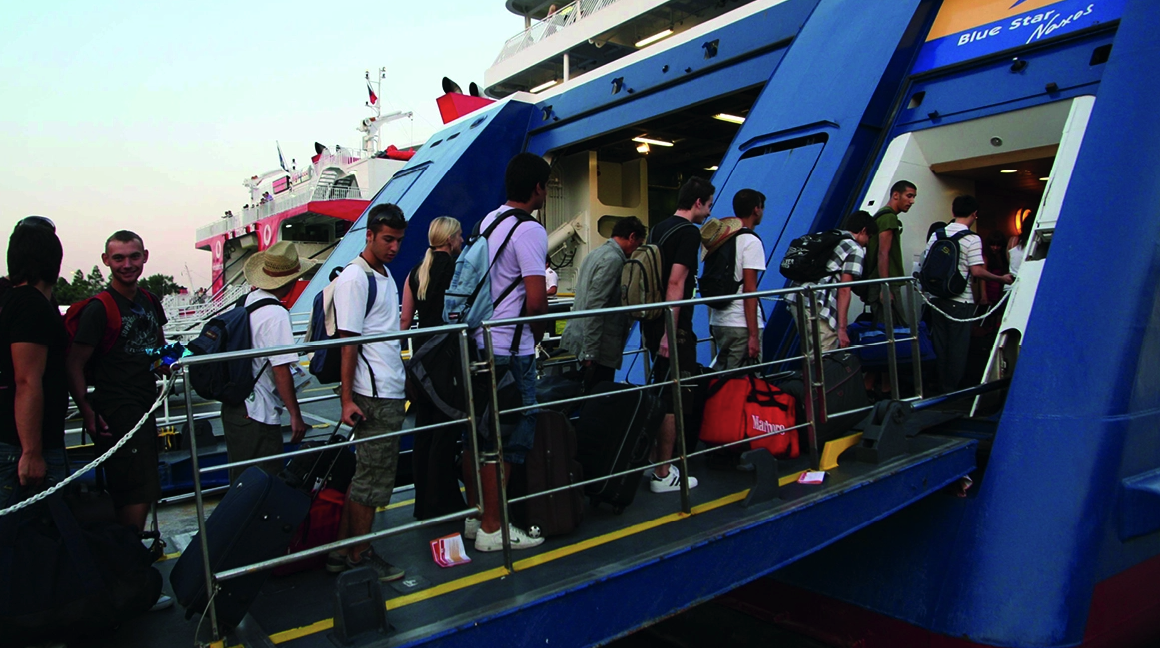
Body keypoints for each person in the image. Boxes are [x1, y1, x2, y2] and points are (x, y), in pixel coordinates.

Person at [465, 153, 550, 552]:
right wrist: (539, 335)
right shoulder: (530, 230)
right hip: (512, 350)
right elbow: (536, 301)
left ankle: (477, 517)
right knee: (510, 438)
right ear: (538, 188)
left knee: (480, 434)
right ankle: (494, 527)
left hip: (480, 341)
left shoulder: (489, 221)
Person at [325, 203, 410, 582]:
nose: (394, 247)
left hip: (387, 388)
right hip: (374, 394)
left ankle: (341, 551)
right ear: (370, 235)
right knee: (373, 479)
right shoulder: (356, 279)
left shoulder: (383, 274)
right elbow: (348, 343)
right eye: (388, 239)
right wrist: (346, 400)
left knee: (368, 475)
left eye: (399, 241)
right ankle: (360, 554)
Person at [66, 231, 167, 534]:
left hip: (144, 406)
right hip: (117, 410)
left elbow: (159, 349)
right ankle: (129, 552)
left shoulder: (150, 301)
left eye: (134, 257)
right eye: (119, 258)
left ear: (145, 257)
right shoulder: (100, 309)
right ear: (106, 260)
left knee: (142, 484)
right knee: (136, 488)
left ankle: (129, 549)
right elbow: (74, 364)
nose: (127, 265)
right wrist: (87, 412)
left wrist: (190, 357)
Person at [642, 176, 714, 494]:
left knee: (660, 390)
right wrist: (670, 333)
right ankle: (663, 472)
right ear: (697, 202)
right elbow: (676, 282)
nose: (709, 212)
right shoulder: (688, 233)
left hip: (651, 320)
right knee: (674, 396)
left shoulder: (658, 228)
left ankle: (653, 460)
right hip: (672, 326)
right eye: (708, 205)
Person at [220, 242, 315, 483]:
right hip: (258, 413)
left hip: (236, 407)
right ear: (292, 280)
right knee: (263, 484)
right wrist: (295, 415)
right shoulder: (276, 314)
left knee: (241, 484)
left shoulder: (246, 301)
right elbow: (280, 369)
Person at [399, 216, 467, 521]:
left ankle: (423, 504)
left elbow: (405, 320)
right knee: (446, 430)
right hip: (447, 357)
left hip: (421, 358)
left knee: (424, 431)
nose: (462, 240)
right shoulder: (455, 269)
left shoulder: (416, 271)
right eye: (459, 236)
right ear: (450, 239)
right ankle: (445, 502)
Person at [0, 223, 68, 509]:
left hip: (14, 441)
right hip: (22, 447)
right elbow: (26, 379)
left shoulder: (11, 300)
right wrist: (31, 451)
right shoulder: (31, 305)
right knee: (34, 527)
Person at [922, 196, 1013, 393]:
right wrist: (1001, 279)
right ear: (975, 214)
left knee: (939, 344)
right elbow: (977, 271)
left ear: (953, 211)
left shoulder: (937, 235)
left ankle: (939, 387)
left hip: (936, 299)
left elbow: (926, 264)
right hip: (960, 301)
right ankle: (952, 390)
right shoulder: (972, 239)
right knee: (958, 347)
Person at [560, 216, 647, 391]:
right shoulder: (614, 260)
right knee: (598, 394)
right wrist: (590, 351)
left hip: (581, 337)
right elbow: (596, 305)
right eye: (638, 244)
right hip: (600, 346)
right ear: (632, 237)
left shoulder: (595, 253)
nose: (636, 250)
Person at [786, 211, 878, 352]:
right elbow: (844, 289)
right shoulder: (855, 249)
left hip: (797, 298)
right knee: (825, 350)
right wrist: (842, 328)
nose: (867, 243)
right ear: (863, 230)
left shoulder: (831, 237)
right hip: (818, 304)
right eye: (869, 237)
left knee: (810, 351)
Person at [706, 188, 766, 370]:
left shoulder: (721, 238)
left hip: (719, 321)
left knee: (724, 379)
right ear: (756, 209)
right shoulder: (751, 242)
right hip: (740, 323)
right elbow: (749, 289)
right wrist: (753, 335)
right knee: (745, 380)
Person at [865, 180, 917, 326]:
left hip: (878, 281)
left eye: (913, 197)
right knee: (893, 329)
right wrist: (885, 287)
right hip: (886, 282)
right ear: (895, 195)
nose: (912, 201)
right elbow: (883, 253)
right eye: (909, 196)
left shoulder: (881, 215)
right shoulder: (889, 218)